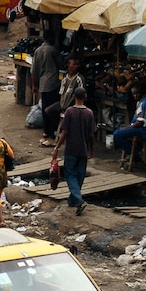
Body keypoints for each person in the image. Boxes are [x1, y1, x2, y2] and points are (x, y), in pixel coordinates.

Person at [52, 87, 95, 215]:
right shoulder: (89, 113)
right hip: (83, 149)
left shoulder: (70, 112)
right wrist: (91, 150)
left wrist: (57, 147)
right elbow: (91, 135)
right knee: (80, 175)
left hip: (71, 149)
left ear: (74, 97)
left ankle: (78, 199)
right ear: (85, 97)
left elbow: (64, 132)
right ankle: (73, 200)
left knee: (70, 174)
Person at [31, 31, 62, 146]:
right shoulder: (53, 50)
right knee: (53, 109)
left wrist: (34, 85)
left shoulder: (37, 51)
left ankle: (46, 131)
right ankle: (53, 132)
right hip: (53, 83)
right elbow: (61, 65)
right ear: (51, 38)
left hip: (43, 84)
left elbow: (33, 71)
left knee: (45, 108)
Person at [114, 84, 146, 169]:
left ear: (141, 93)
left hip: (143, 130)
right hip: (137, 128)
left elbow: (140, 122)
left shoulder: (145, 103)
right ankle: (133, 154)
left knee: (118, 134)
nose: (135, 95)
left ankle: (135, 154)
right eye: (133, 94)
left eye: (137, 93)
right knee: (117, 131)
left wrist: (128, 128)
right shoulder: (139, 102)